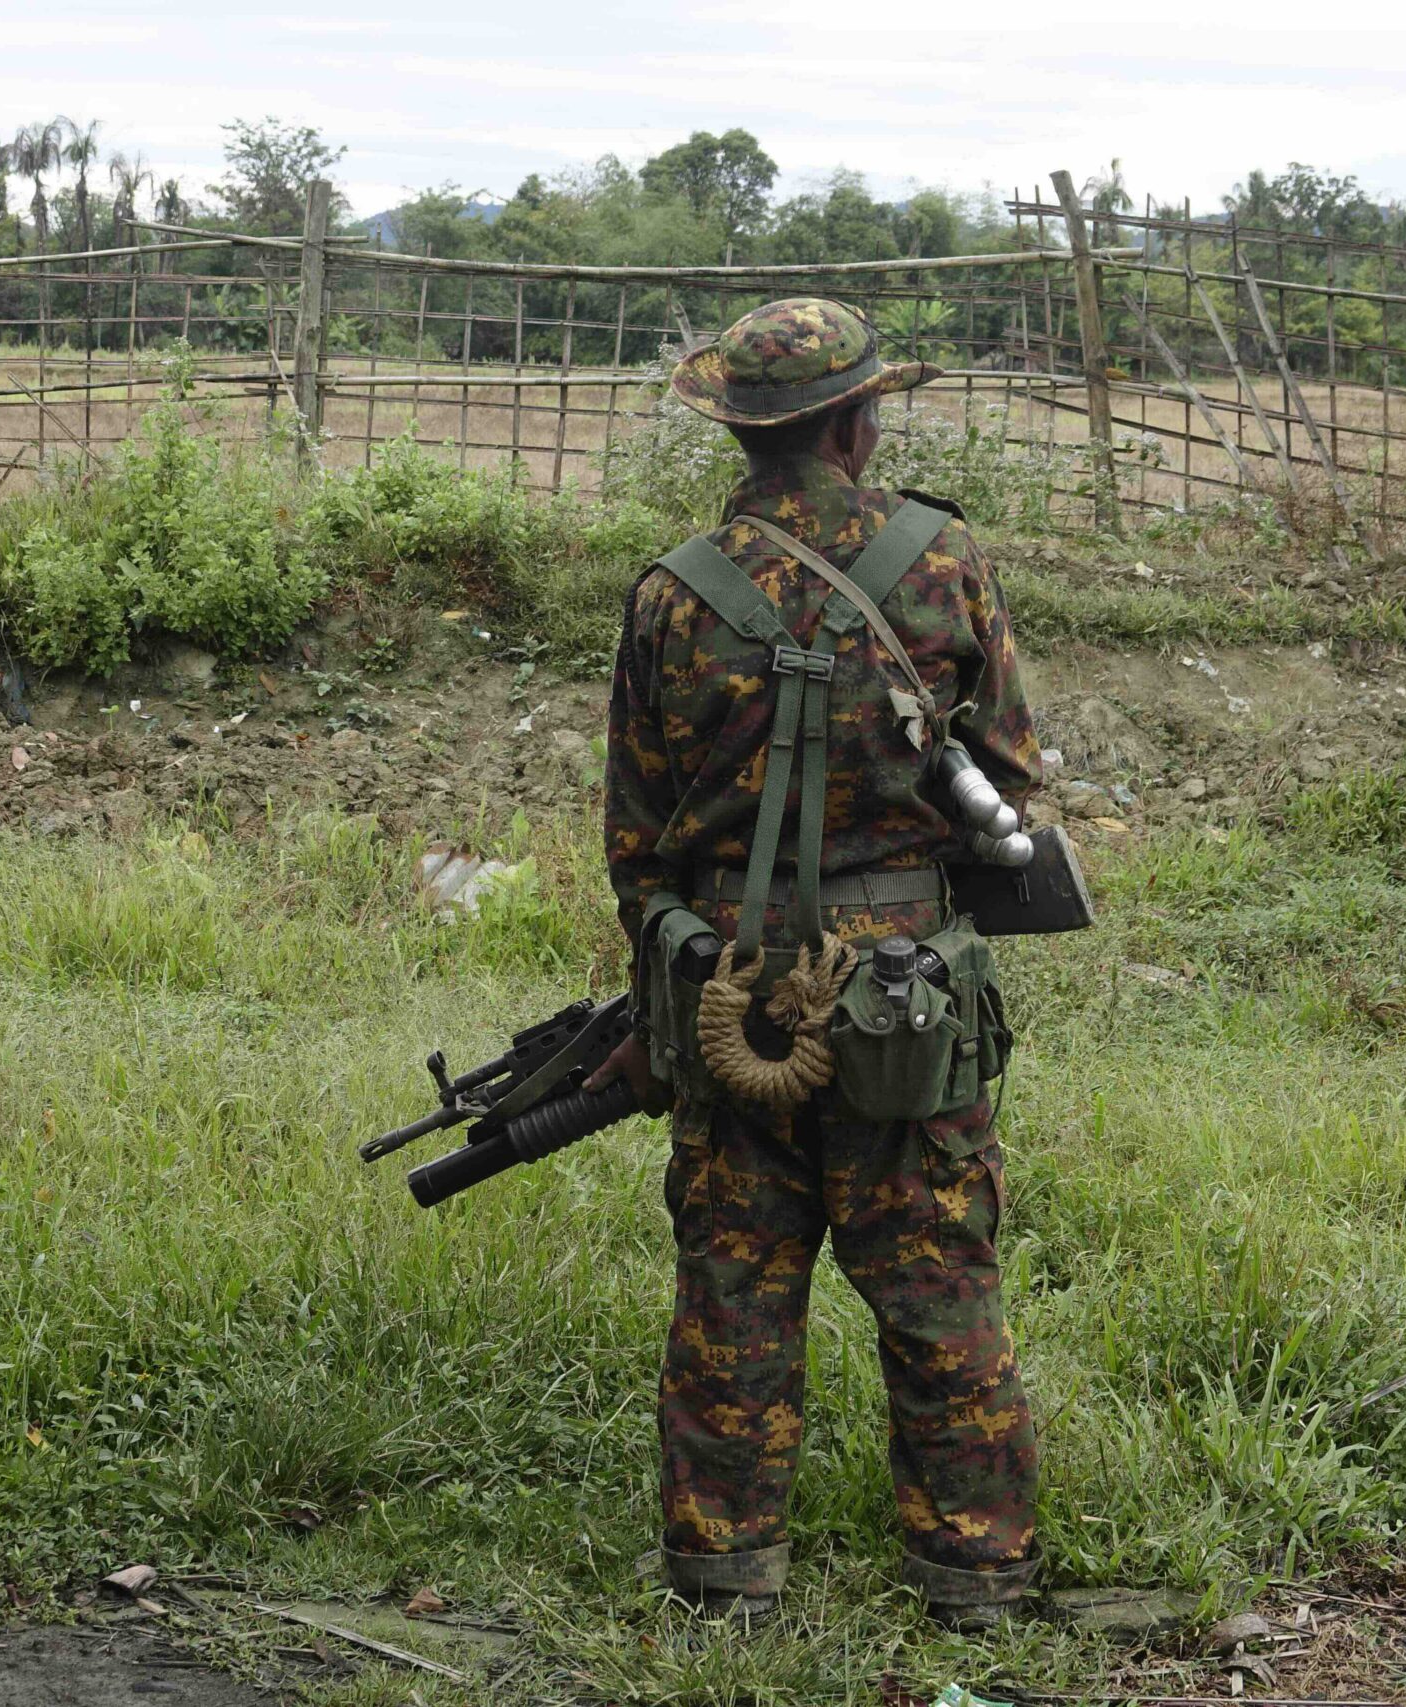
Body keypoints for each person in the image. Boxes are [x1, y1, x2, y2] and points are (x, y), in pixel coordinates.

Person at [587, 298, 1042, 1630]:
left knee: (734, 1286)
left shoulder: (673, 594)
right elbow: (1009, 787)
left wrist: (677, 988)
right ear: (856, 421)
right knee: (939, 1284)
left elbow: (635, 842)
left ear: (739, 427)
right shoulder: (942, 563)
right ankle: (976, 1580)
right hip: (907, 1001)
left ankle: (726, 1583)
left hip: (734, 993)